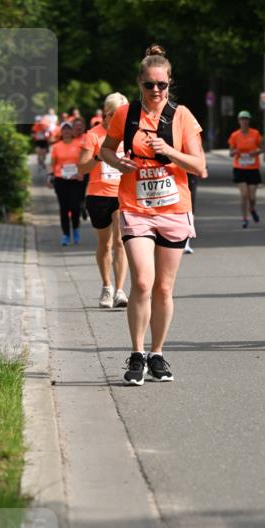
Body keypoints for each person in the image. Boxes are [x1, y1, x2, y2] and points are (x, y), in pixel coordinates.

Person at [101, 44, 205, 385]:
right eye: (150, 85)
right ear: (139, 83)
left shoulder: (183, 116)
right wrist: (118, 162)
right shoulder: (125, 114)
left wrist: (169, 151)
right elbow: (105, 149)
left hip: (174, 209)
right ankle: (136, 352)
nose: (156, 91)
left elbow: (200, 167)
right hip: (136, 208)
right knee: (142, 281)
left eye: (162, 85)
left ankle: (157, 353)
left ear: (170, 83)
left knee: (163, 287)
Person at [77, 92, 129, 308]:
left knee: (120, 242)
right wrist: (99, 157)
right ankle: (106, 286)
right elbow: (82, 168)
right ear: (105, 115)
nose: (115, 120)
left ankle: (119, 291)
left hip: (122, 194)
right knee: (104, 244)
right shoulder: (93, 135)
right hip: (98, 195)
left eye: (121, 116)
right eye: (112, 115)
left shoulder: (129, 135)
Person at [47, 120, 85, 246]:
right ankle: (65, 234)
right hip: (61, 179)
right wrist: (49, 176)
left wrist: (82, 173)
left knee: (75, 206)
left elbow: (84, 161)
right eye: (64, 129)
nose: (67, 131)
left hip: (75, 180)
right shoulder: (56, 146)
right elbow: (52, 164)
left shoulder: (79, 144)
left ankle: (75, 229)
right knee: (64, 208)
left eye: (69, 129)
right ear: (61, 132)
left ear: (72, 131)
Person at [228, 111, 264, 228]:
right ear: (239, 121)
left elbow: (263, 148)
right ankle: (244, 218)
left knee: (252, 197)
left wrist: (256, 152)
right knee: (244, 195)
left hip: (253, 168)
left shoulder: (255, 134)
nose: (244, 121)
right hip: (240, 168)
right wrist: (235, 152)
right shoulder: (234, 135)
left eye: (246, 119)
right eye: (242, 119)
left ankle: (252, 208)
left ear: (249, 121)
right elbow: (231, 153)